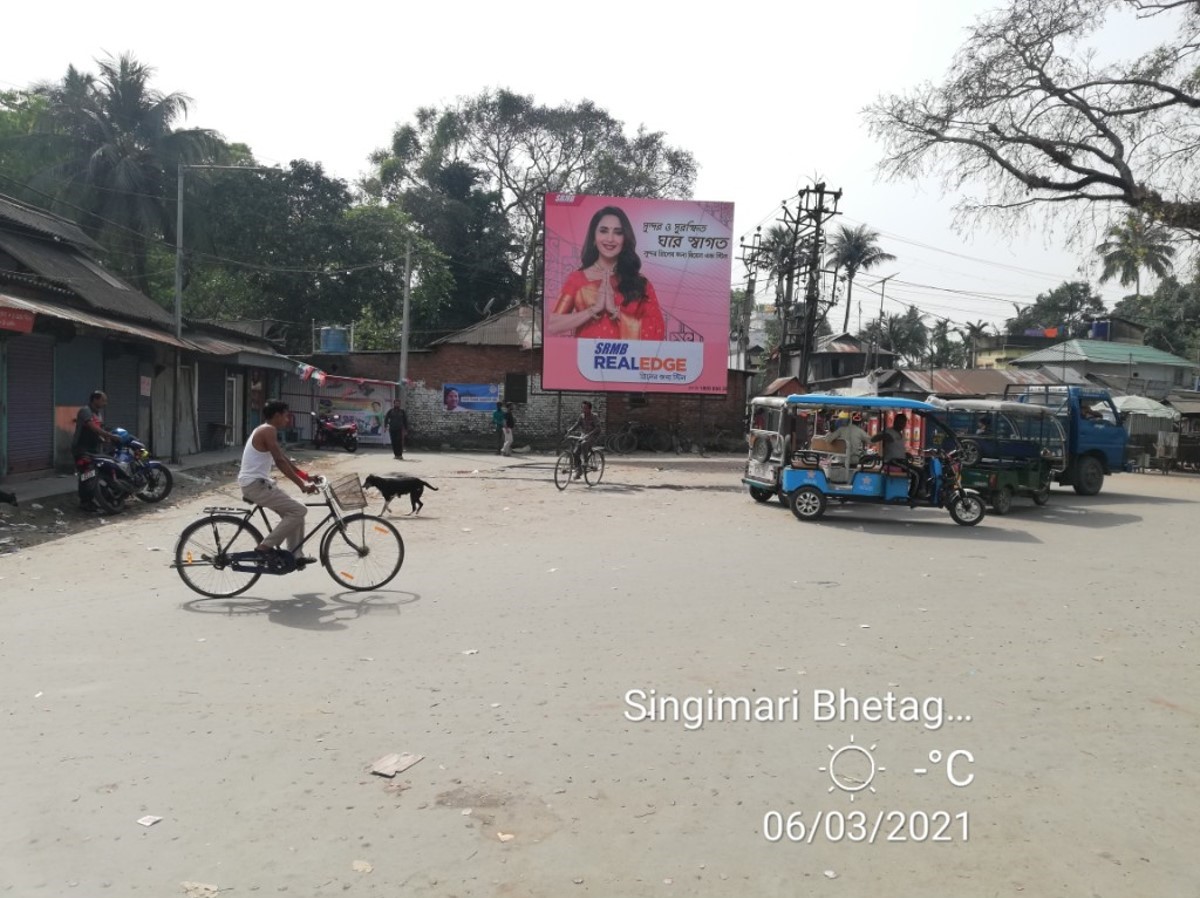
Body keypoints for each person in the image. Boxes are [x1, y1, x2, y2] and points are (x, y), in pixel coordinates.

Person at [548, 205, 666, 340]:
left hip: (627, 360)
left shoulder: (640, 283)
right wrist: (593, 310)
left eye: (618, 232)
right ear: (594, 236)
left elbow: (658, 330)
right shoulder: (577, 279)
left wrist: (615, 311)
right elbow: (553, 325)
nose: (610, 239)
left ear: (625, 238)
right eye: (603, 231)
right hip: (586, 359)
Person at [238, 400, 319, 563]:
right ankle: (264, 547)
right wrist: (302, 486)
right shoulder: (268, 430)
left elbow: (283, 458)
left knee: (295, 512)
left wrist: (305, 477)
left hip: (258, 484)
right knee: (299, 511)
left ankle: (295, 556)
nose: (287, 420)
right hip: (256, 485)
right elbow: (280, 462)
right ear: (277, 415)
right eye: (286, 416)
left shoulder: (265, 430)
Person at [71, 390, 119, 511]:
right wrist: (110, 435)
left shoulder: (98, 414)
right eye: (103, 400)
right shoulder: (85, 411)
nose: (105, 403)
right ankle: (85, 503)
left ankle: (107, 498)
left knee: (101, 473)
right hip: (82, 449)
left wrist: (105, 439)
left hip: (95, 449)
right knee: (86, 475)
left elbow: (99, 431)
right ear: (95, 400)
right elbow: (93, 427)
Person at [870, 412, 922, 500]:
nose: (902, 425)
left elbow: (897, 448)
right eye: (900, 422)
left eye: (903, 423)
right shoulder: (889, 431)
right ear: (895, 421)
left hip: (901, 461)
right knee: (915, 474)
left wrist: (906, 454)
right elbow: (873, 439)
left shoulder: (901, 434)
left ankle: (919, 492)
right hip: (893, 461)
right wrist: (883, 436)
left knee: (921, 471)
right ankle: (912, 496)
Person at [828, 411, 871, 479]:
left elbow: (828, 440)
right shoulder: (860, 431)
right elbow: (871, 441)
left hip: (841, 460)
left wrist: (831, 432)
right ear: (860, 423)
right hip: (854, 460)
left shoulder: (841, 429)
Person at [567, 400, 600, 477]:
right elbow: (577, 424)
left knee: (584, 443)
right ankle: (579, 470)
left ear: (589, 409)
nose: (583, 410)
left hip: (593, 435)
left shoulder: (594, 416)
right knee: (575, 453)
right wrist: (570, 430)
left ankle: (585, 461)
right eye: (582, 408)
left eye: (585, 408)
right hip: (583, 435)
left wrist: (588, 435)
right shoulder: (581, 416)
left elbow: (598, 428)